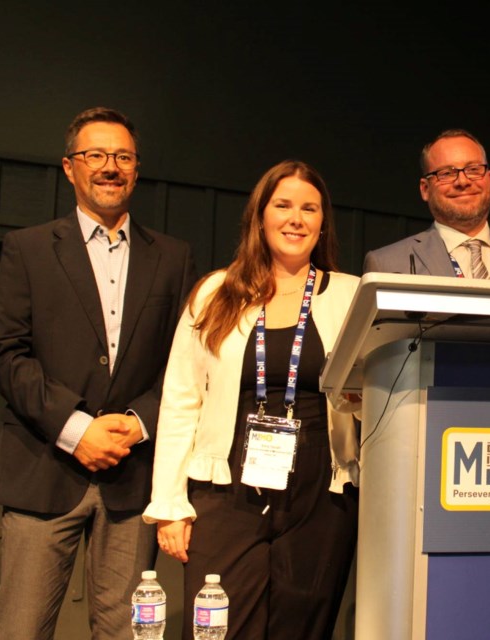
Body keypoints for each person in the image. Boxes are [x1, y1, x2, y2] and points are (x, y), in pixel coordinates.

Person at [0, 107, 196, 639]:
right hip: (42, 471)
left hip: (131, 476)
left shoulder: (172, 257)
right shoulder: (27, 249)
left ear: (137, 169)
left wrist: (137, 421)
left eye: (122, 156)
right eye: (95, 155)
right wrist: (77, 429)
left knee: (126, 633)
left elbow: (185, 362)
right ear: (69, 167)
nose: (109, 167)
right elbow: (3, 353)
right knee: (22, 630)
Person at [143, 160, 360, 640]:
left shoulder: (351, 295)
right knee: (218, 628)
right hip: (226, 488)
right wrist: (170, 503)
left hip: (321, 493)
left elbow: (374, 394)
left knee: (301, 628)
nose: (296, 219)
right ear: (259, 216)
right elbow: (181, 401)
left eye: (310, 208)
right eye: (283, 205)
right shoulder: (215, 293)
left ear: (323, 222)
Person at [363, 128, 490, 282]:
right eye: (447, 173)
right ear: (425, 189)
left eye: (473, 169)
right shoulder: (386, 264)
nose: (463, 181)